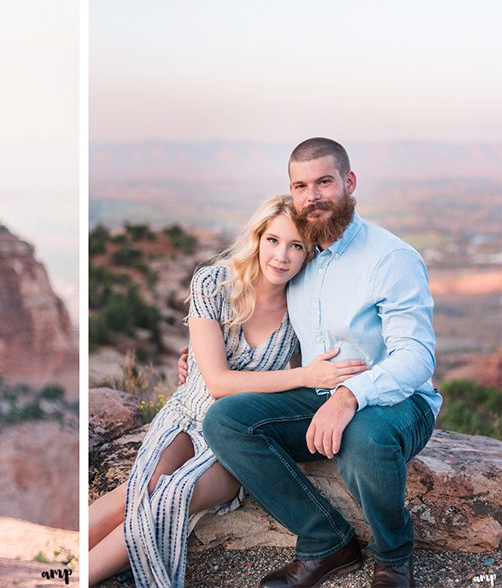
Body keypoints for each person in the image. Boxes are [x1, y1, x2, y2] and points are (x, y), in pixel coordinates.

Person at [87, 194, 370, 587]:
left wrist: (319, 381)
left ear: (309, 254)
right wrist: (304, 376)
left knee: (174, 496)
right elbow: (218, 382)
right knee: (144, 486)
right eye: (273, 240)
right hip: (187, 414)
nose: (281, 256)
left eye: (296, 246)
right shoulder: (214, 283)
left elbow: (298, 386)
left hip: (236, 435)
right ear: (257, 237)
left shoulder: (303, 309)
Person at [203, 138, 438, 588]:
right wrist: (200, 359)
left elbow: (417, 357)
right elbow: (257, 316)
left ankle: (393, 555)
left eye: (324, 182)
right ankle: (327, 542)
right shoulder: (300, 256)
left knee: (364, 440)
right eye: (301, 185)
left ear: (349, 183)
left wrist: (350, 396)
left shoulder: (391, 258)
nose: (312, 196)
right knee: (227, 420)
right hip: (317, 393)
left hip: (397, 401)